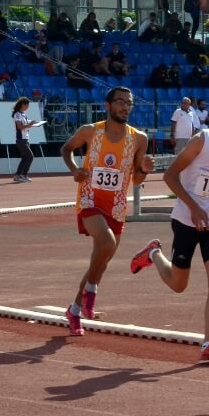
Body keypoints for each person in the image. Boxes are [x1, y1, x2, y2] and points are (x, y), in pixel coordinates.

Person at [130, 86, 209, 364]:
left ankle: (208, 343)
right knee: (178, 285)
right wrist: (194, 207)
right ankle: (153, 254)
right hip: (186, 219)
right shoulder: (200, 141)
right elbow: (170, 176)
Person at [60, 87, 154, 336]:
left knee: (102, 259)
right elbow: (66, 149)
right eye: (120, 102)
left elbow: (136, 180)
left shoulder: (139, 139)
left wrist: (144, 169)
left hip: (117, 204)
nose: (125, 107)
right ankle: (91, 290)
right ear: (108, 105)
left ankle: (75, 309)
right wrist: (74, 169)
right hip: (89, 198)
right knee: (107, 242)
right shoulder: (90, 131)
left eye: (129, 103)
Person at [11, 97, 41, 183]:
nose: (28, 107)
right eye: (27, 105)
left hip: (25, 139)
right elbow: (20, 127)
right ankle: (24, 175)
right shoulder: (17, 114)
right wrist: (30, 124)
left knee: (25, 158)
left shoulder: (23, 114)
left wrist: (33, 123)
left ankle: (18, 175)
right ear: (22, 104)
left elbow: (26, 125)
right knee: (30, 157)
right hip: (21, 139)